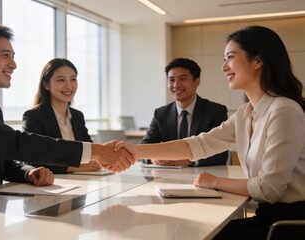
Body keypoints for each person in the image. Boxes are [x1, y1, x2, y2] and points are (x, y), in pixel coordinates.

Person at [115, 25, 305, 240]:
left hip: (288, 224)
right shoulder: (245, 113)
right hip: (270, 217)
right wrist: (137, 151)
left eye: (230, 57)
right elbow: (200, 144)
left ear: (258, 61)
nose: (224, 67)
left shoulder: (284, 110)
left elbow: (268, 189)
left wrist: (214, 182)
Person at [0, 24, 134, 201]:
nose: (14, 64)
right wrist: (95, 151)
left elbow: (3, 158)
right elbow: (14, 142)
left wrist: (28, 172)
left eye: (13, 56)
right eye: (5, 55)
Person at [141, 58, 228, 167]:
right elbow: (145, 147)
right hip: (167, 176)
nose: (176, 85)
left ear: (197, 81)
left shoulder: (215, 111)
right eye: (171, 80)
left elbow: (221, 154)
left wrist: (190, 161)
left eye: (182, 79)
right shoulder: (161, 113)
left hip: (203, 175)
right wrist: (153, 159)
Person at [22, 58, 101, 174]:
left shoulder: (77, 116)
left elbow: (89, 151)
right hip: (53, 184)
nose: (69, 86)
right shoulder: (34, 116)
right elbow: (33, 160)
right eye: (61, 80)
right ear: (46, 85)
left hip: (82, 180)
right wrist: (73, 167)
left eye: (73, 79)